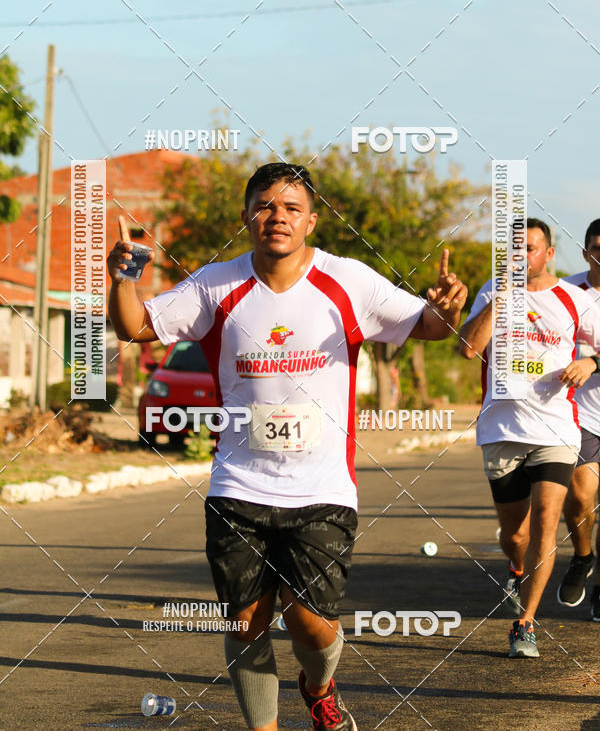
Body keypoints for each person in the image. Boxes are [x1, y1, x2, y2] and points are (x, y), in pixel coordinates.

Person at [107, 162, 468, 730]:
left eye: (291, 208)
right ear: (247, 215)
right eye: (266, 205)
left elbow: (427, 326)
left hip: (322, 486)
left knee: (307, 622)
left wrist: (446, 308)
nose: (278, 216)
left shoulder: (347, 281)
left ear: (311, 221)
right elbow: (133, 327)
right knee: (246, 619)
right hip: (238, 482)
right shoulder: (214, 284)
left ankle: (318, 683)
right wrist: (122, 277)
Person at [460, 218, 600, 658]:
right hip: (502, 428)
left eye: (531, 250)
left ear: (549, 254)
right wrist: (501, 297)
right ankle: (516, 566)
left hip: (556, 426)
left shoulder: (572, 298)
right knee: (515, 534)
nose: (522, 258)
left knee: (545, 520)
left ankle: (526, 623)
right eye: (514, 251)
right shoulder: (491, 290)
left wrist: (591, 363)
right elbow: (467, 348)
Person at [557, 219, 600, 619]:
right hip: (582, 413)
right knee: (581, 494)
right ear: (586, 251)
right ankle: (583, 556)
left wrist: (594, 360)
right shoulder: (567, 293)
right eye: (598, 247)